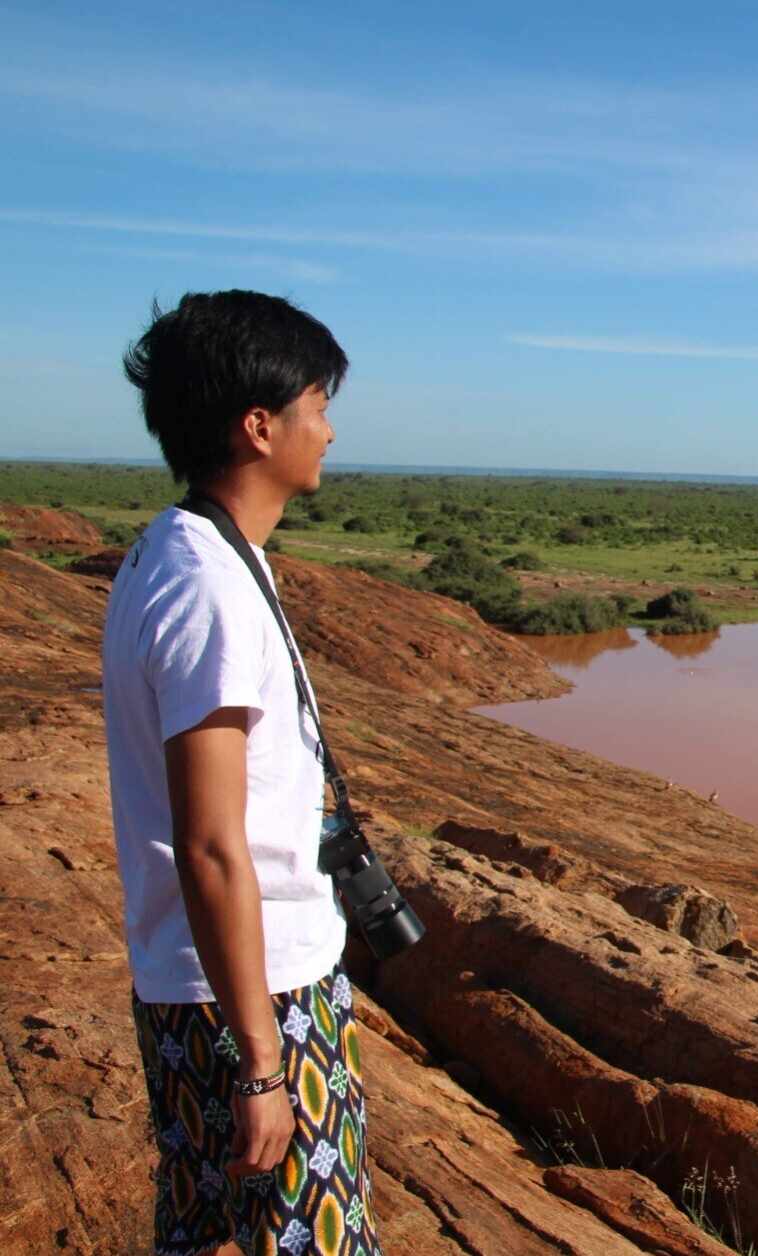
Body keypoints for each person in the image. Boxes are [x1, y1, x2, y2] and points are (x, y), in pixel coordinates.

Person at [104, 290, 383, 1255]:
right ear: (259, 427)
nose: (330, 429)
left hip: (208, 984)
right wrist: (263, 1061)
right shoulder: (209, 586)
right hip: (258, 998)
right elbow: (211, 842)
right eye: (317, 405)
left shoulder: (179, 553)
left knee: (205, 1230)